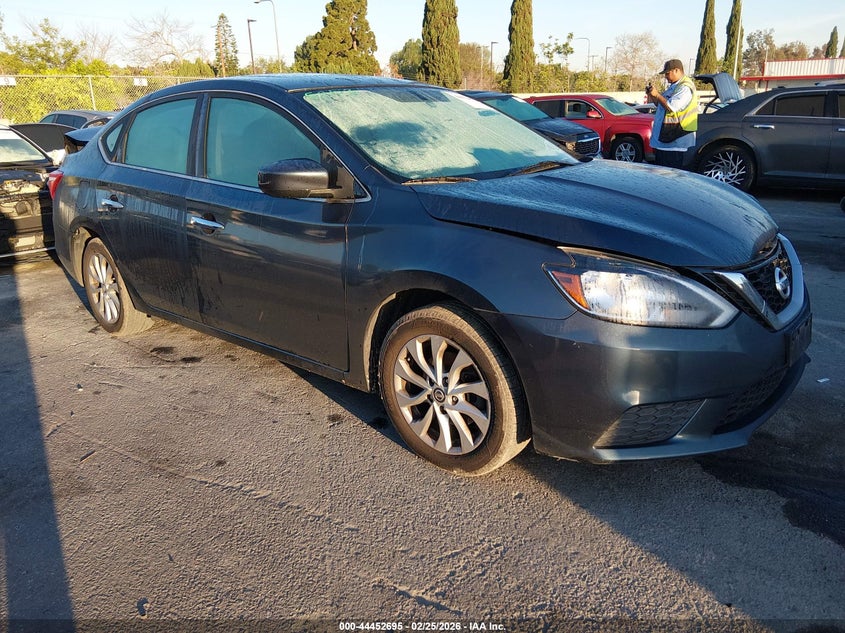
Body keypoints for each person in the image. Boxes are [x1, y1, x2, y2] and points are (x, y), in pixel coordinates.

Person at [647, 59, 698, 168]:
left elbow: (671, 107)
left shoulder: (685, 88)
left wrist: (657, 95)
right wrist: (652, 95)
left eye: (667, 73)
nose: (665, 76)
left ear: (676, 70)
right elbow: (661, 105)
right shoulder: (674, 87)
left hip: (676, 139)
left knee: (670, 178)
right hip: (666, 140)